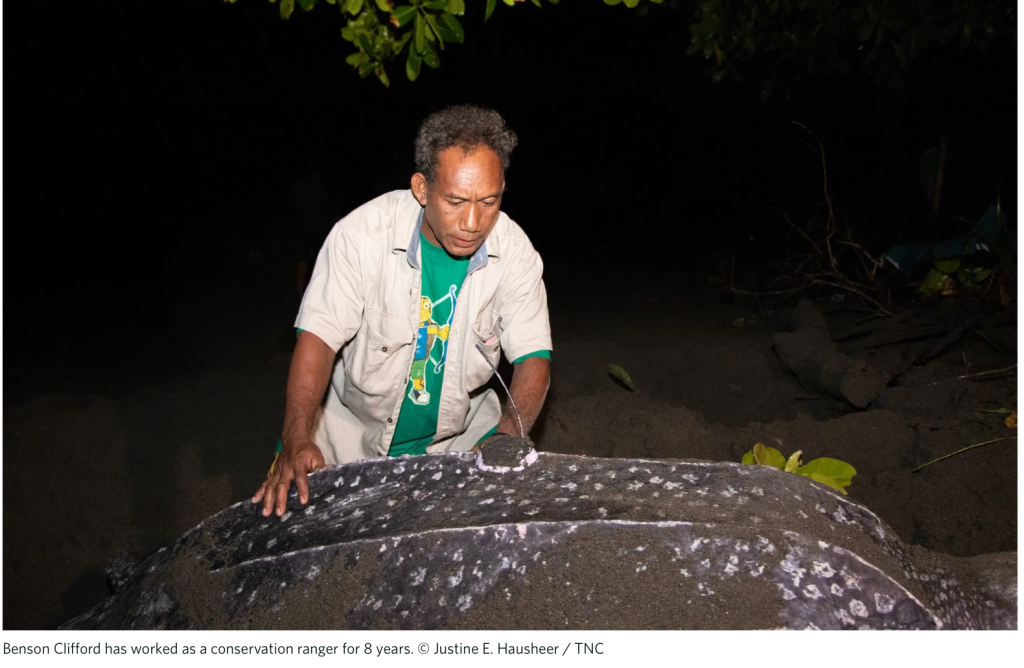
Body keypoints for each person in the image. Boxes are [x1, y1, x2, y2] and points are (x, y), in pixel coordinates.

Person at [253, 105, 552, 517]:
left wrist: (507, 435)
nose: (472, 221)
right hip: (348, 439)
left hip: (460, 441)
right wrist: (297, 437)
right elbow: (317, 341)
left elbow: (534, 357)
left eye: (489, 201)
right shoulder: (360, 237)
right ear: (421, 188)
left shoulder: (515, 252)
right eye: (455, 200)